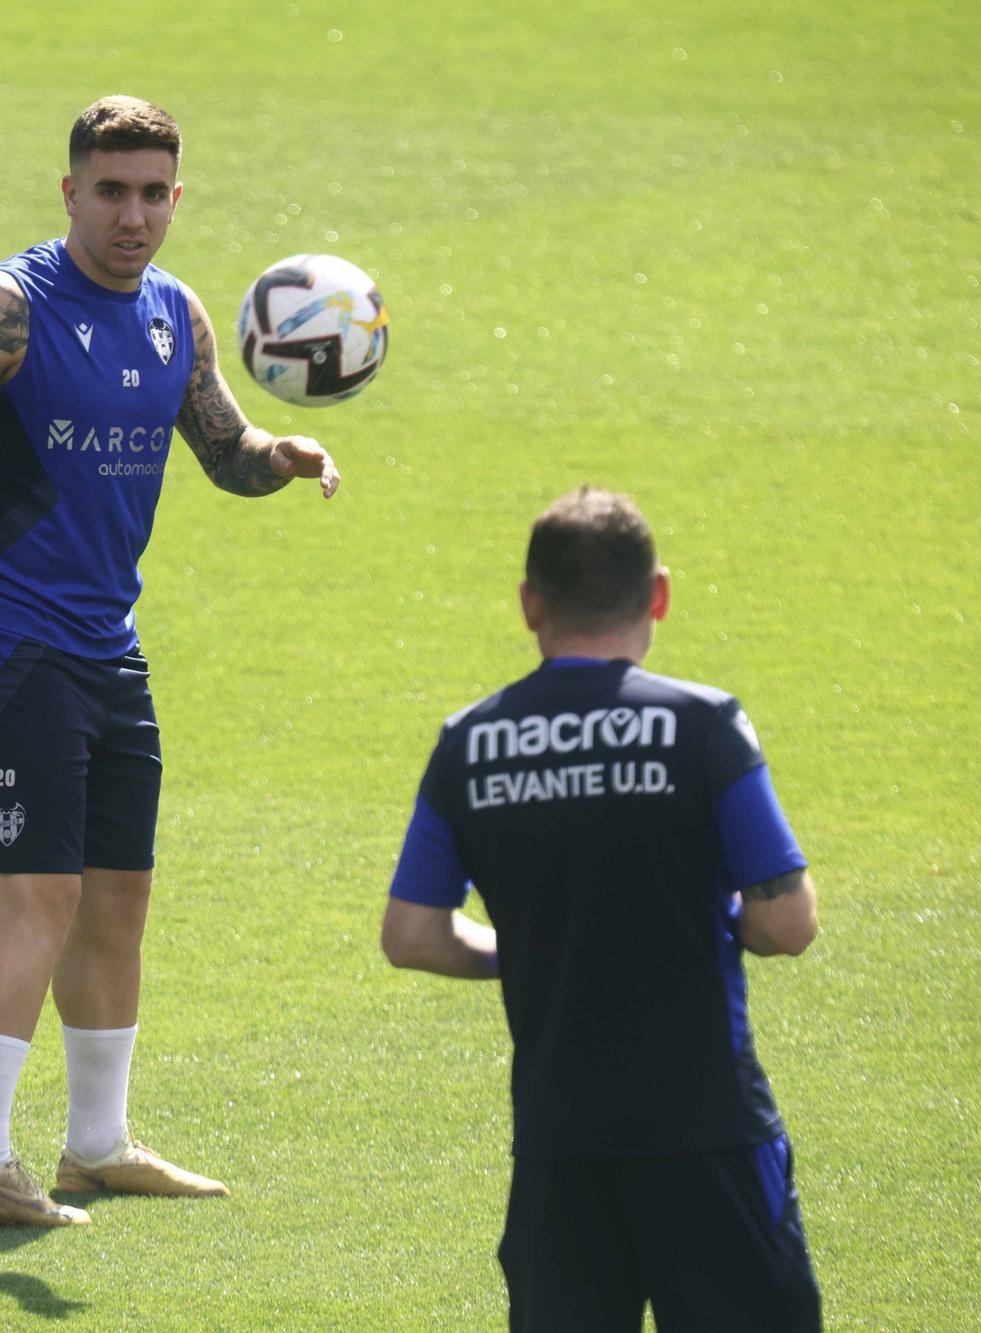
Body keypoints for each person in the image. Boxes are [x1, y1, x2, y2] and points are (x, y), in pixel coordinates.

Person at [0, 95, 342, 1226]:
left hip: (106, 648)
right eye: (110, 191)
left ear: (174, 198)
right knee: (35, 891)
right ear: (70, 191)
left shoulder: (173, 315)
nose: (131, 216)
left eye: (152, 195)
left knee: (115, 899)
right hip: (1, 639)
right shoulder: (3, 307)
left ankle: (95, 1142)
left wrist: (279, 453)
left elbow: (222, 450)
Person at [380, 487, 823, 1331]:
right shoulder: (704, 725)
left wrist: (536, 944)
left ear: (529, 605)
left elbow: (411, 935)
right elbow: (786, 921)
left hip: (560, 1146)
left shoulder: (470, 742)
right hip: (711, 1136)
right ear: (658, 594)